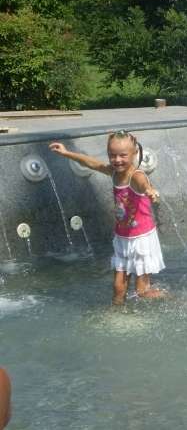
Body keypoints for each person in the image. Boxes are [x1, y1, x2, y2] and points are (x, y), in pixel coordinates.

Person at [49, 130, 165, 304]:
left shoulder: (136, 176)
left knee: (142, 291)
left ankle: (171, 298)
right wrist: (67, 153)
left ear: (134, 154)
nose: (117, 160)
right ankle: (117, 315)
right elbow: (92, 163)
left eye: (122, 155)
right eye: (112, 155)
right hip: (123, 237)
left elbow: (144, 185)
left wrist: (150, 191)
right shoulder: (114, 173)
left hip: (141, 239)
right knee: (118, 288)